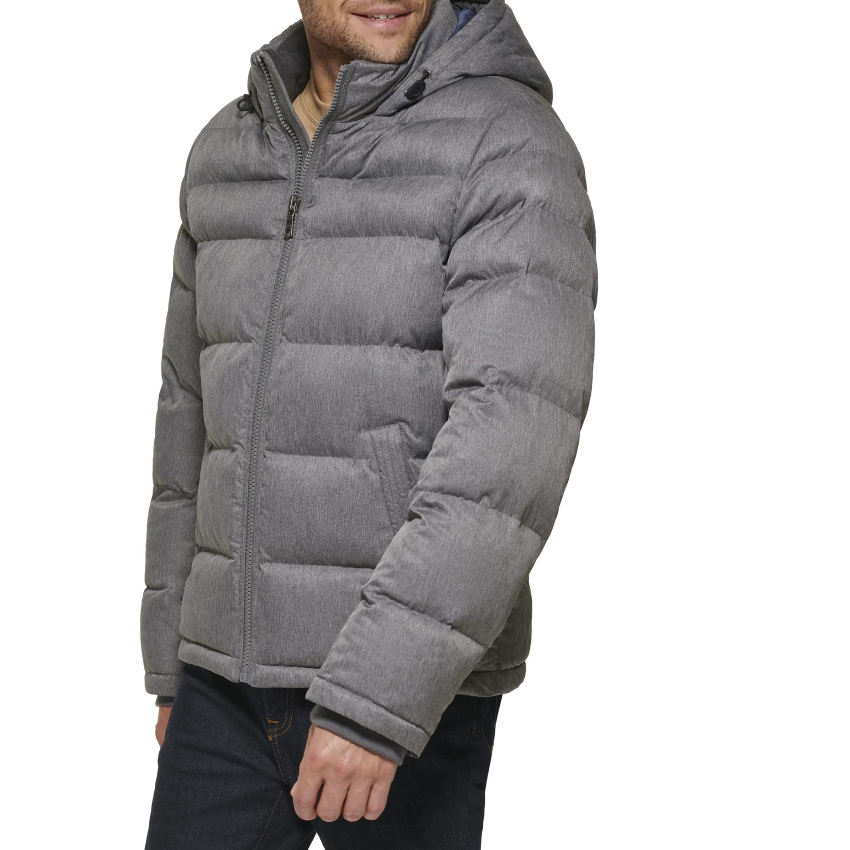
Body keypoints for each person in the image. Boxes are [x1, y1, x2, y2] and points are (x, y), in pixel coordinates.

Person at [141, 0, 597, 846]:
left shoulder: (506, 145)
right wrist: (171, 662)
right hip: (221, 685)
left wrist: (376, 701)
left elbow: (509, 452)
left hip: (410, 696)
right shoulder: (226, 154)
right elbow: (188, 423)